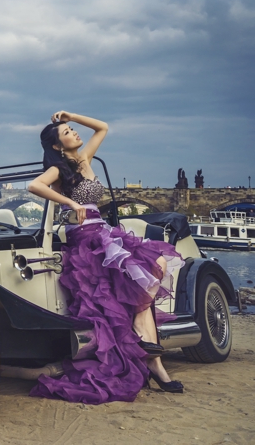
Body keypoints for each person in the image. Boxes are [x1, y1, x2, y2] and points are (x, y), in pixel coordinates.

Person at [27, 111, 185, 403]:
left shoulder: (85, 157)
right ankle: (156, 366)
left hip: (105, 233)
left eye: (72, 129)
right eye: (67, 132)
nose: (74, 133)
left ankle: (146, 343)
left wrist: (69, 114)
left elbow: (103, 127)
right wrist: (70, 201)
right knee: (142, 276)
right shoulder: (59, 169)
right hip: (87, 239)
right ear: (57, 146)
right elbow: (34, 186)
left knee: (156, 265)